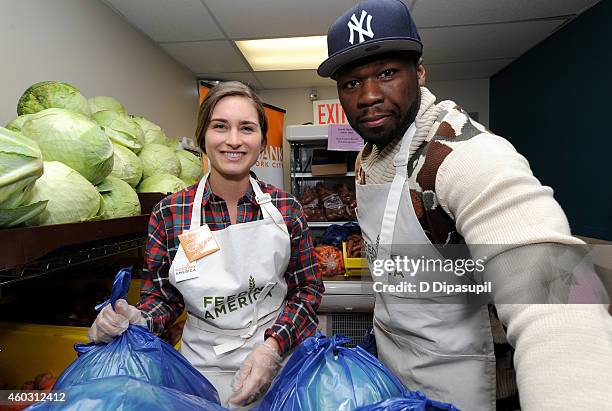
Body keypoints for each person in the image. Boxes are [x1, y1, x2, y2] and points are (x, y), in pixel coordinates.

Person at [318, 1, 612, 410]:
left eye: (386, 73)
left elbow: (558, 300)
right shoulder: (368, 159)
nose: (368, 95)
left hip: (468, 389)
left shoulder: (466, 157)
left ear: (419, 72)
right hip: (397, 380)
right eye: (351, 83)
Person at [88, 81, 324, 408]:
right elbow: (163, 299)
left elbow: (307, 291)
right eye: (220, 127)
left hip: (279, 366)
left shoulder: (286, 209)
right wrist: (135, 319)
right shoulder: (171, 213)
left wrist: (273, 347)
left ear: (261, 140)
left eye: (247, 128)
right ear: (202, 137)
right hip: (200, 373)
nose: (233, 140)